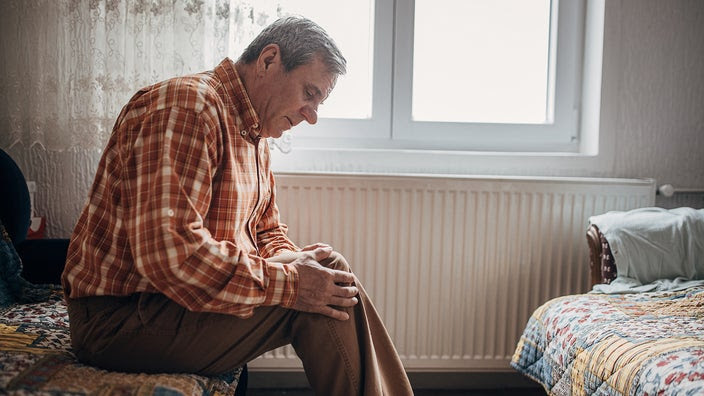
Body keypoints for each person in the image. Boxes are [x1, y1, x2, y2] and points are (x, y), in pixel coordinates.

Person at [62, 16, 413, 395]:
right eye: (309, 93)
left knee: (328, 273)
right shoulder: (188, 108)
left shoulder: (254, 132)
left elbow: (266, 230)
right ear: (268, 60)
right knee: (321, 298)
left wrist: (297, 261)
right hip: (121, 321)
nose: (311, 116)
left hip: (172, 304)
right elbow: (171, 255)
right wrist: (294, 284)